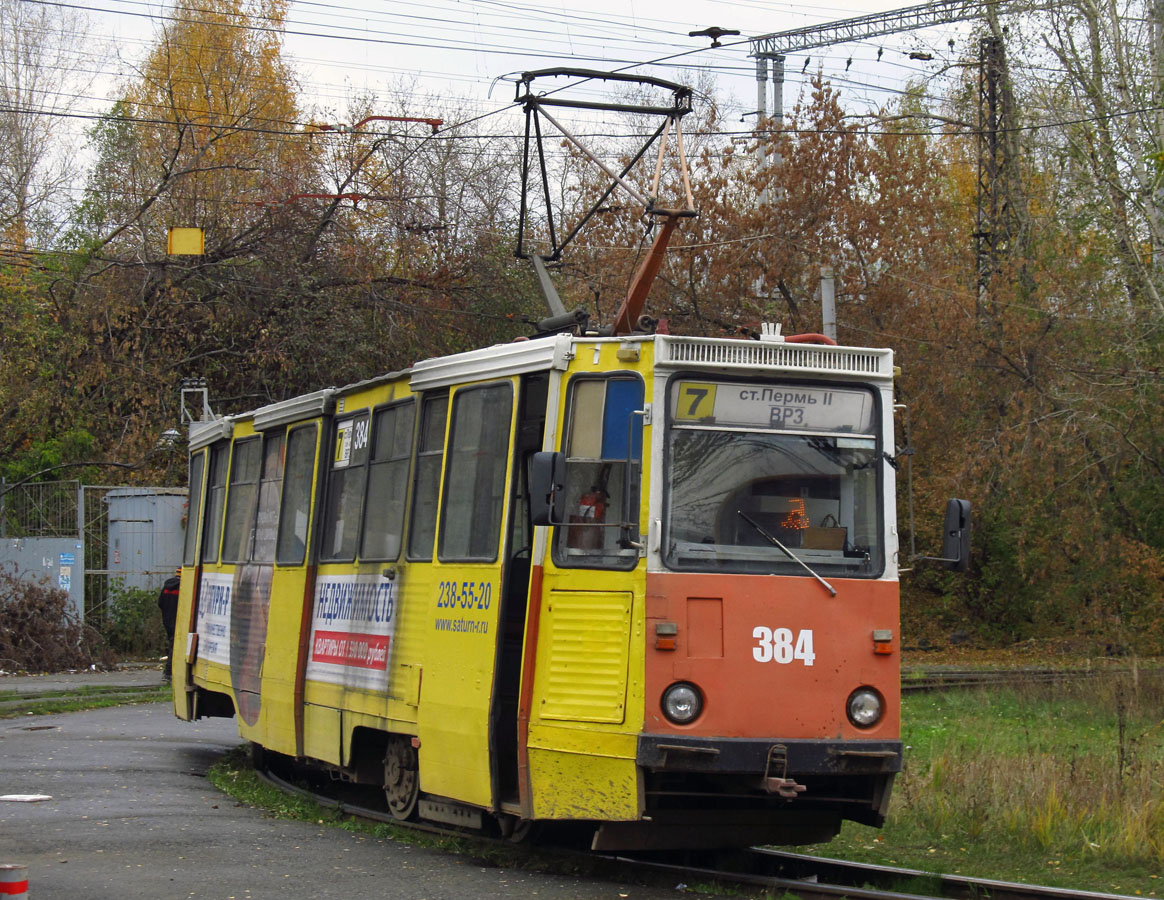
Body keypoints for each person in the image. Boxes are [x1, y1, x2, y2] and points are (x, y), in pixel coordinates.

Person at [157, 569, 180, 681]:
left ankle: (170, 672)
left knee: (173, 644)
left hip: (167, 620)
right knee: (175, 647)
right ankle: (168, 673)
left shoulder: (167, 586)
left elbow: (160, 603)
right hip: (178, 620)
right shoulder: (183, 587)